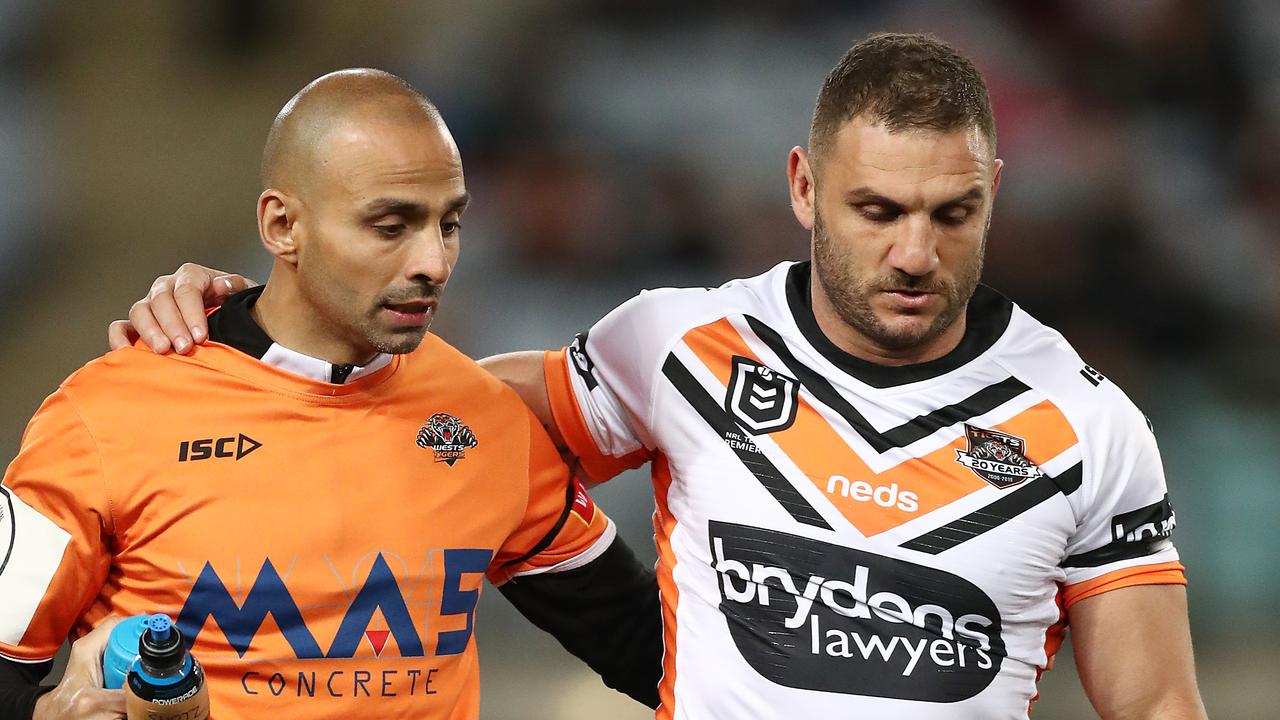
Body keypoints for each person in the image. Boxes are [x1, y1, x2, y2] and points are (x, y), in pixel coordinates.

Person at [110, 34, 1208, 719]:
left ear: (994, 190)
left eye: (949, 212)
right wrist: (258, 321)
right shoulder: (674, 347)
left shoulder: (1086, 425)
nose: (912, 252)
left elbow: (1155, 703)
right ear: (801, 186)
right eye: (875, 211)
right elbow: (423, 410)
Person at [0, 69, 662, 719]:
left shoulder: (482, 418)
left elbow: (657, 654)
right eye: (389, 226)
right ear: (283, 226)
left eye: (449, 223)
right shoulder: (106, 415)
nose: (433, 261)